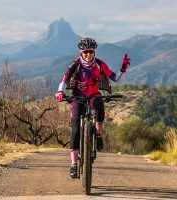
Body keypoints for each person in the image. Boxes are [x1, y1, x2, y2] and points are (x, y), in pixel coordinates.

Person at [55, 37, 130, 178]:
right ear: (81, 52)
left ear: (94, 51)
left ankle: (98, 134)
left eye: (90, 51)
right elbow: (65, 80)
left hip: (94, 95)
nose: (88, 54)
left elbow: (114, 78)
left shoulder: (100, 64)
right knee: (76, 129)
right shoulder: (75, 64)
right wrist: (60, 92)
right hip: (78, 97)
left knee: (100, 107)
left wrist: (123, 69)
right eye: (85, 52)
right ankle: (73, 164)